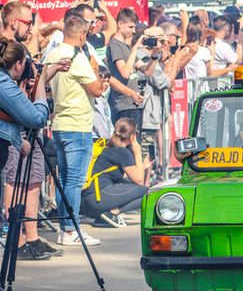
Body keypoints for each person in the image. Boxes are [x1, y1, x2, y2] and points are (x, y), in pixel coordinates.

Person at [0, 37, 68, 259]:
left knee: (33, 182)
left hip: (18, 139)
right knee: (14, 183)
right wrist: (40, 84)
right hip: (14, 138)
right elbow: (37, 117)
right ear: (18, 64)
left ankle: (31, 238)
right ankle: (17, 241)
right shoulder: (4, 83)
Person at [46, 15, 103, 246]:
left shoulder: (52, 54)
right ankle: (71, 229)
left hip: (59, 124)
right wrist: (95, 68)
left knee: (63, 179)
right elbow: (97, 89)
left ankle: (64, 228)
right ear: (82, 35)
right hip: (77, 126)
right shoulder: (76, 58)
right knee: (74, 181)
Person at [80, 118, 149, 227]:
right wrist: (137, 153)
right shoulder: (122, 152)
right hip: (97, 199)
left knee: (127, 183)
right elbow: (139, 181)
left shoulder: (105, 147)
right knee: (149, 193)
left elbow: (121, 175)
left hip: (85, 202)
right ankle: (112, 213)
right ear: (132, 136)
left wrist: (142, 167)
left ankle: (102, 217)